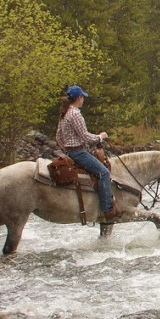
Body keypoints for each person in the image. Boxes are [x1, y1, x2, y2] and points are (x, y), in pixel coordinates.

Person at [56, 85, 117, 220]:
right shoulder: (75, 114)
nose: (83, 99)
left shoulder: (65, 113)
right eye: (82, 97)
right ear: (79, 98)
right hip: (78, 152)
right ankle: (106, 208)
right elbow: (85, 137)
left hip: (69, 152)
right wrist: (100, 137)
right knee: (104, 173)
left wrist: (66, 149)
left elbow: (58, 137)